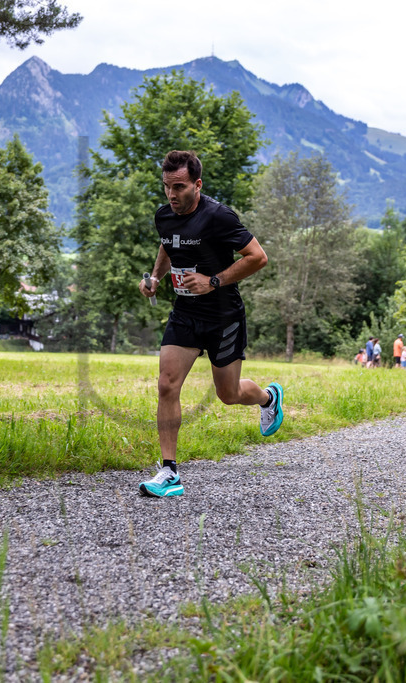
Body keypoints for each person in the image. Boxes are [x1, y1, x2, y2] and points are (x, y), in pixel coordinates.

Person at [137, 150, 284, 498]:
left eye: (180, 187)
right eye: (166, 187)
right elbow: (167, 244)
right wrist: (155, 278)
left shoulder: (219, 217)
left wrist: (213, 281)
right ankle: (169, 471)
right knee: (167, 384)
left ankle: (267, 398)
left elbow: (258, 258)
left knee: (228, 394)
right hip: (185, 315)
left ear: (197, 184)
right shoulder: (165, 216)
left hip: (223, 316)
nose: (172, 195)